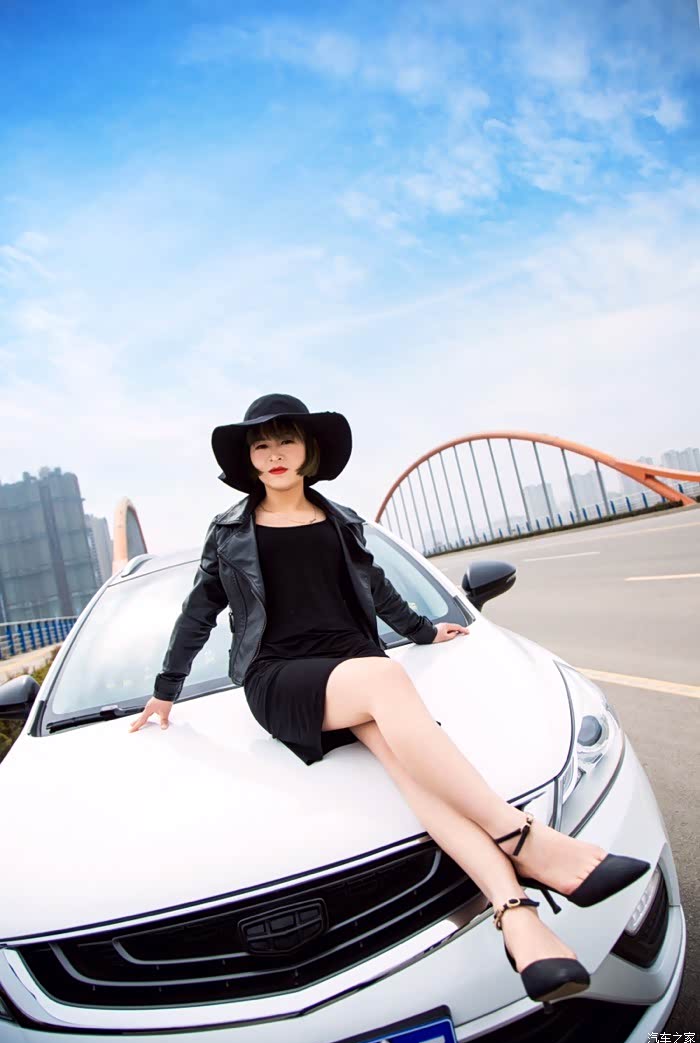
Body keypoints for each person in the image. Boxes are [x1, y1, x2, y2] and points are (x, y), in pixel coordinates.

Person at [128, 393, 650, 1005]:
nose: (274, 454)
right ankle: (523, 836)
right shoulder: (229, 533)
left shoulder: (341, 521)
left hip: (356, 669)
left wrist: (424, 631)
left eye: (286, 440)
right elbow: (199, 612)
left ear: (308, 450)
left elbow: (375, 587)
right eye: (261, 445)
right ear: (248, 460)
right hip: (282, 677)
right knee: (385, 681)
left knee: (415, 777)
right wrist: (166, 690)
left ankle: (518, 918)